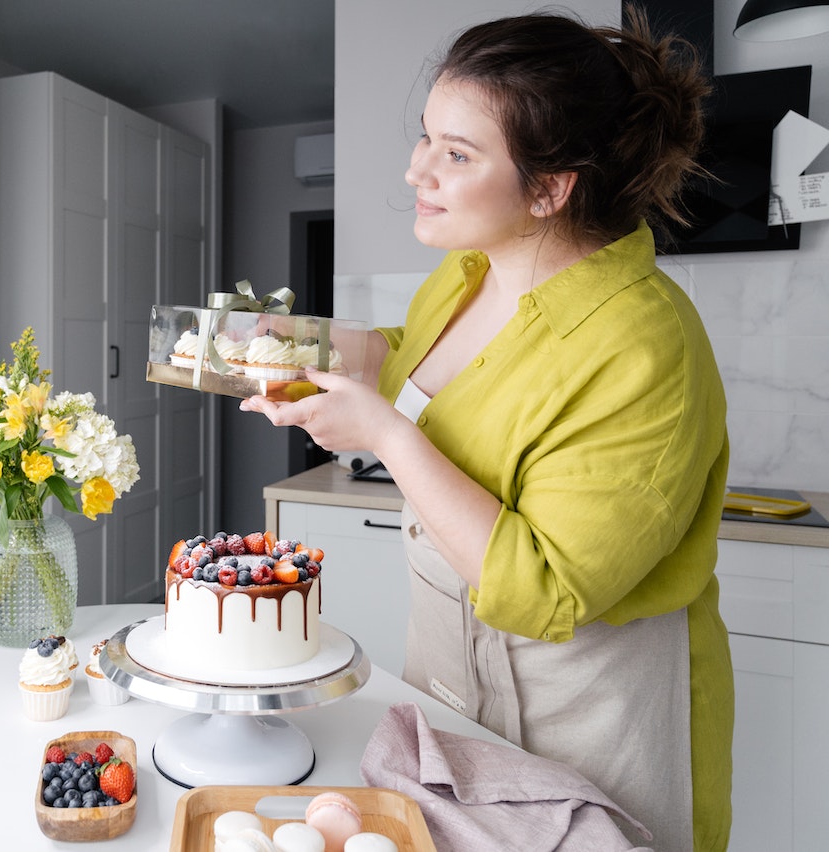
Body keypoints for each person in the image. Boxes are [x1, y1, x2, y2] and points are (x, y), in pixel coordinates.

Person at [242, 8, 731, 851]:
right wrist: (318, 345)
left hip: (584, 716)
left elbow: (547, 590)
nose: (417, 170)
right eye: (427, 138)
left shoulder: (644, 345)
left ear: (550, 188)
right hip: (447, 673)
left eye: (456, 154)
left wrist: (388, 437)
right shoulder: (470, 271)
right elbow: (419, 360)